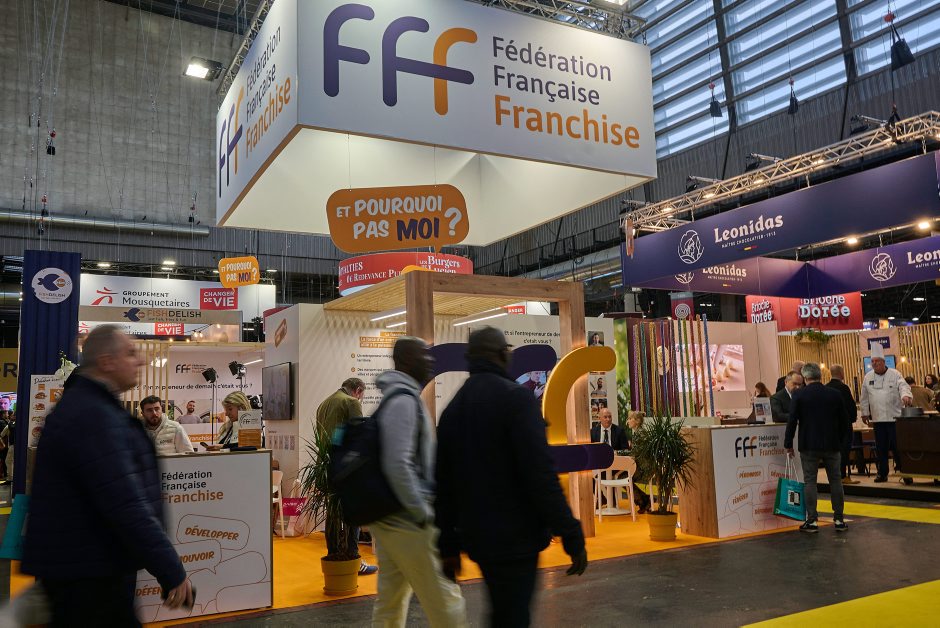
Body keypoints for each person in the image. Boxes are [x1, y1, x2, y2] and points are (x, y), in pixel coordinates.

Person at [22, 325, 192, 625]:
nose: (141, 361)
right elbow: (125, 502)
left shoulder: (86, 407)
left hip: (84, 565)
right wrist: (170, 568)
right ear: (107, 361)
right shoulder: (95, 416)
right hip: (91, 573)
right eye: (130, 353)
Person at [436, 327, 586, 627]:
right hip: (518, 537)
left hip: (479, 538)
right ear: (501, 355)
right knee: (513, 615)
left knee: (502, 612)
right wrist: (570, 533)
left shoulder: (453, 409)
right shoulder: (517, 400)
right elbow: (540, 473)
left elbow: (443, 485)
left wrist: (448, 546)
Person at [371, 337, 467, 627]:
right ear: (406, 360)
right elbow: (397, 463)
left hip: (391, 517)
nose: (430, 360)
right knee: (446, 600)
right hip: (409, 522)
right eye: (424, 355)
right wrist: (422, 512)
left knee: (391, 602)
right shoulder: (404, 402)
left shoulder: (397, 399)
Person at [315, 378, 377, 576]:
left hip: (325, 466)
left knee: (333, 512)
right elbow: (358, 438)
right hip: (346, 468)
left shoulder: (324, 403)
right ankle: (353, 557)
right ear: (358, 391)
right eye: (362, 396)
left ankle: (334, 555)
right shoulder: (351, 402)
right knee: (353, 512)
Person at [784, 363, 850, 533]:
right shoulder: (834, 394)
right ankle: (839, 519)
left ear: (805, 378)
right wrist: (842, 442)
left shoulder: (799, 394)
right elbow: (845, 421)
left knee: (810, 481)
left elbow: (792, 421)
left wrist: (788, 443)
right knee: (835, 480)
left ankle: (812, 521)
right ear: (820, 376)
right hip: (832, 444)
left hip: (809, 445)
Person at [859, 346, 913, 482]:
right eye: (872, 361)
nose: (874, 363)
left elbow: (903, 386)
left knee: (897, 448)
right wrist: (864, 413)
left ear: (883, 362)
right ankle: (882, 474)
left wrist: (905, 395)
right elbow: (864, 397)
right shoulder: (868, 377)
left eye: (877, 361)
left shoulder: (895, 374)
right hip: (878, 419)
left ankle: (905, 474)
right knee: (881, 449)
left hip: (895, 419)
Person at [826, 365, 858, 483]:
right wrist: (852, 419)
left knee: (833, 453)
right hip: (844, 426)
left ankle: (834, 476)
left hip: (830, 426)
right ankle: (843, 475)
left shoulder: (826, 387)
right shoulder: (843, 388)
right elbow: (850, 406)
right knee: (844, 451)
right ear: (841, 373)